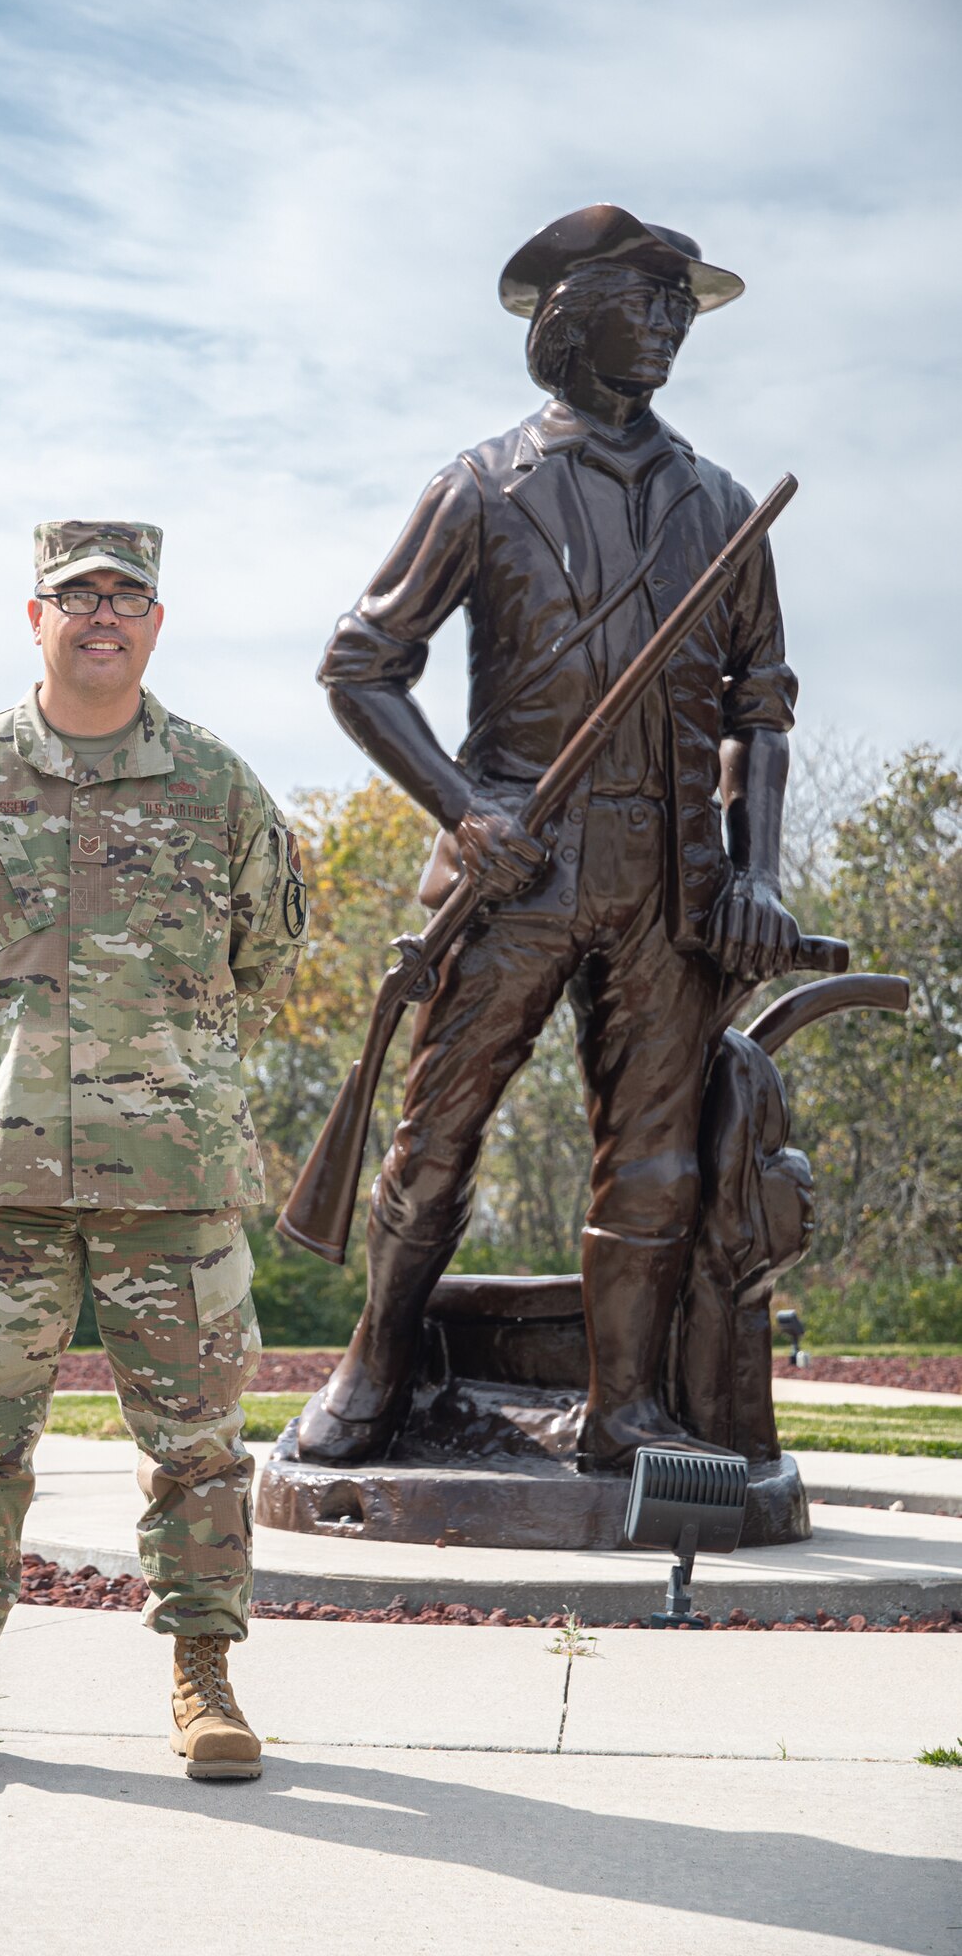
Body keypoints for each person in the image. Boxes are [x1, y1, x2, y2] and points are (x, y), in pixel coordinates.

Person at [295, 204, 802, 1472]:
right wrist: (465, 809)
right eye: (648, 300)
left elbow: (763, 708)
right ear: (568, 320)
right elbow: (360, 666)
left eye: (683, 306)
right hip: (517, 862)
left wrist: (758, 870)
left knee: (656, 1156)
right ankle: (373, 1364)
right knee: (434, 1130)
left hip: (672, 878)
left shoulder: (724, 506)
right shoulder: (477, 486)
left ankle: (622, 1407)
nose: (673, 325)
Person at [0, 518, 307, 1785]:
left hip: (173, 1178)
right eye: (78, 594)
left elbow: (267, 950)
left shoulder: (218, 787)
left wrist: (167, 1071)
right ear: (35, 614)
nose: (102, 613)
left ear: (157, 620)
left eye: (128, 595)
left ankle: (204, 1676)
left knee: (199, 1449)